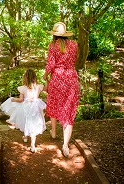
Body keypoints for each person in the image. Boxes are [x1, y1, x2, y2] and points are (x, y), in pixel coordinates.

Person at [43, 22, 80, 158]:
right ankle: (65, 145)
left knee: (53, 103)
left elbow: (51, 64)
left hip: (57, 79)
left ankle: (53, 131)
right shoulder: (74, 45)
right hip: (71, 80)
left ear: (55, 35)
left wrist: (45, 75)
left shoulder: (53, 45)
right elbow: (74, 61)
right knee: (68, 112)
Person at [0, 69, 47, 153]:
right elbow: (47, 88)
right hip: (36, 107)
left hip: (26, 107)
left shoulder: (23, 88)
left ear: (25, 78)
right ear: (35, 77)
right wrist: (47, 80)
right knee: (34, 123)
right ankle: (32, 144)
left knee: (26, 121)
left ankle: (25, 137)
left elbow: (21, 100)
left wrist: (13, 99)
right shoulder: (39, 87)